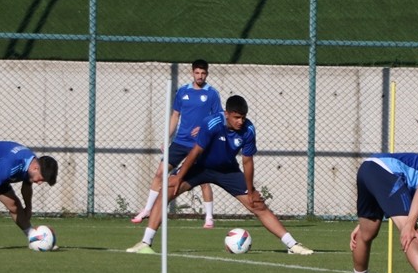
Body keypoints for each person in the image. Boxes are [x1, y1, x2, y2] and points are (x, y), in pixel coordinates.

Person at [126, 95, 314, 255]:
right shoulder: (212, 123)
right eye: (236, 117)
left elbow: (247, 162)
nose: (240, 121)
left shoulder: (248, 130)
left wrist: (251, 190)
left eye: (243, 117)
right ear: (227, 114)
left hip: (227, 170)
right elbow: (195, 152)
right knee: (166, 191)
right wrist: (179, 176)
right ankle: (145, 243)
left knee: (257, 204)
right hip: (200, 167)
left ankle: (292, 245)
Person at [132, 59, 223, 228]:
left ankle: (209, 217)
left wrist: (204, 128)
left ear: (207, 74)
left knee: (203, 180)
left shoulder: (212, 94)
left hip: (199, 144)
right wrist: (167, 138)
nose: (200, 76)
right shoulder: (182, 92)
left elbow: (219, 117)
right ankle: (147, 210)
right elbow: (175, 116)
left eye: (203, 73)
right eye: (197, 73)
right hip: (180, 142)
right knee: (160, 173)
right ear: (192, 73)